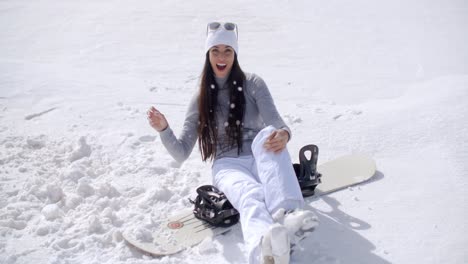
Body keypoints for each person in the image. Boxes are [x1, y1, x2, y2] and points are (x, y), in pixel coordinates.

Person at [147, 22, 318, 264]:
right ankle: (264, 250)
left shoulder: (253, 83)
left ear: (235, 54)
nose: (221, 56)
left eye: (227, 50)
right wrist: (164, 129)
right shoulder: (201, 97)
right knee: (251, 194)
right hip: (227, 164)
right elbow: (181, 151)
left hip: (262, 155)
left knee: (269, 134)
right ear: (208, 54)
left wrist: (283, 135)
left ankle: (288, 218)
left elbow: (277, 123)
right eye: (215, 50)